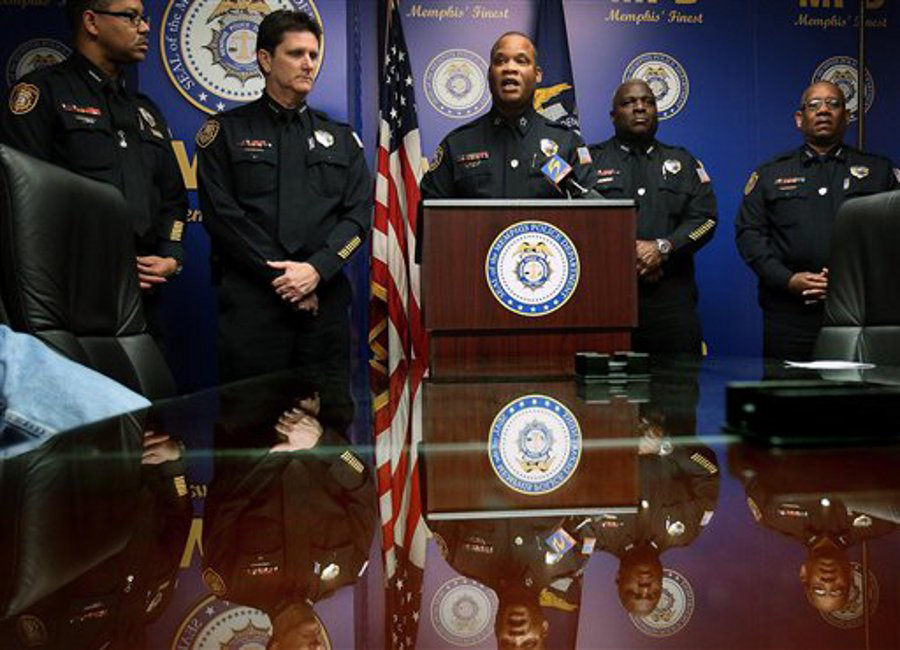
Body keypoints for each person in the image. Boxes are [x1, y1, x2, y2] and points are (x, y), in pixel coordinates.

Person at [196, 10, 372, 383]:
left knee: (331, 426)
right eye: (296, 54)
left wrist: (316, 270)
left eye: (313, 55)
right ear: (264, 59)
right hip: (254, 310)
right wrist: (287, 280)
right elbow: (224, 218)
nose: (308, 64)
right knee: (249, 430)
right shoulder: (224, 132)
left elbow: (358, 217)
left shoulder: (341, 138)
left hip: (323, 306)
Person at [0, 0, 188, 344]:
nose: (145, 27)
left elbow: (173, 198)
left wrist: (170, 257)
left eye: (144, 18)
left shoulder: (145, 110)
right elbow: (21, 206)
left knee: (152, 397)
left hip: (143, 298)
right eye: (131, 17)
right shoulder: (41, 93)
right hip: (70, 297)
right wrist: (102, 264)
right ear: (91, 22)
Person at [736, 81, 900, 360]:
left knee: (857, 401)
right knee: (786, 397)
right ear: (800, 119)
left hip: (861, 313)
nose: (823, 111)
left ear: (847, 117)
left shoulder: (878, 171)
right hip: (789, 315)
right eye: (814, 105)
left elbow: (892, 238)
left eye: (834, 104)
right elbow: (749, 235)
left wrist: (852, 282)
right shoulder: (770, 173)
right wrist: (788, 280)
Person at [589, 80, 717, 354]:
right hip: (606, 300)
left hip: (671, 303)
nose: (639, 108)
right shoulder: (589, 163)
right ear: (613, 116)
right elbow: (575, 224)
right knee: (605, 394)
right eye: (628, 103)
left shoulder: (682, 162)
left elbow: (706, 219)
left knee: (676, 391)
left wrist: (663, 248)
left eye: (647, 101)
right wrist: (627, 256)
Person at [420, 31, 595, 201]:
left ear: (537, 75)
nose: (510, 68)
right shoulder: (457, 144)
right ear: (489, 75)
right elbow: (432, 217)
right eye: (500, 61)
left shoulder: (567, 143)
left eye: (521, 61)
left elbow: (592, 213)